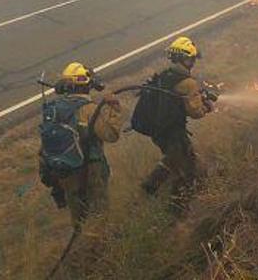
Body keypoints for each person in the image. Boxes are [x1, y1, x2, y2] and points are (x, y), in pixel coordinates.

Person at [39, 62, 122, 230]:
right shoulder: (88, 109)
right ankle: (100, 248)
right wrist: (115, 109)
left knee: (79, 219)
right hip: (91, 169)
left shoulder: (54, 109)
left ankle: (81, 242)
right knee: (100, 216)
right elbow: (111, 135)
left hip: (66, 171)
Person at [141, 36, 214, 211]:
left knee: (179, 161)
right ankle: (175, 206)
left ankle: (156, 188)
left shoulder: (165, 76)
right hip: (174, 132)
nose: (193, 63)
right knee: (186, 170)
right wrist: (207, 106)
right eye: (192, 59)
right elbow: (195, 112)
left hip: (160, 132)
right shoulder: (187, 83)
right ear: (185, 59)